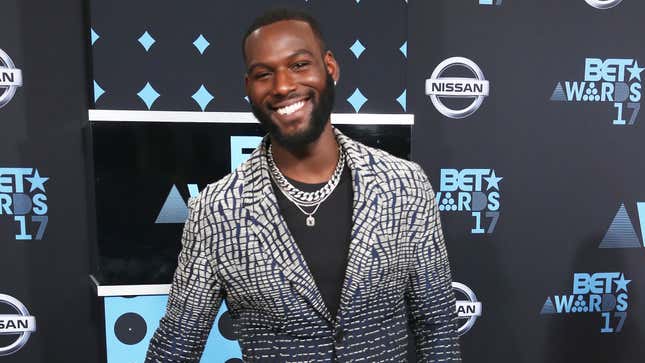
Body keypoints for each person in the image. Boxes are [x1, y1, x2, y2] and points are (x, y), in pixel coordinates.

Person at [146, 8, 461, 362]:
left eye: (298, 65)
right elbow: (176, 346)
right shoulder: (216, 210)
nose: (282, 86)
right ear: (249, 88)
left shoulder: (405, 185)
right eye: (264, 74)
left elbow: (438, 329)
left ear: (330, 68)